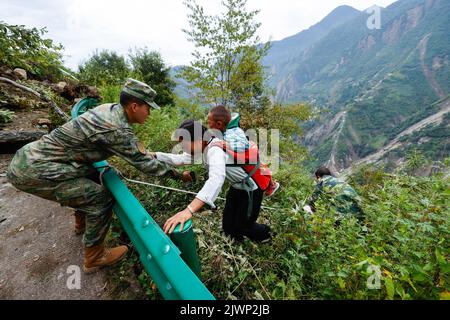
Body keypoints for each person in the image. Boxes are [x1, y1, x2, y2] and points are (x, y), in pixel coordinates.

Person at [7, 78, 183, 273]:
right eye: (147, 108)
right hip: (35, 170)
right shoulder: (118, 129)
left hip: (30, 157)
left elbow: (134, 151)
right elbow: (146, 165)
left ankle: (81, 224)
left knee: (91, 175)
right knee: (100, 199)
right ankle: (94, 257)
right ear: (134, 106)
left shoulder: (110, 109)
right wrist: (177, 175)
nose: (149, 113)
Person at [157, 120, 272, 243]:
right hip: (237, 186)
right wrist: (155, 155)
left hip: (251, 190)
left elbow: (216, 179)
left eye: (184, 144)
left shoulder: (215, 151)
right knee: (227, 223)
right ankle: (235, 242)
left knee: (245, 225)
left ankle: (267, 236)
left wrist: (188, 210)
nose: (183, 148)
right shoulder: (204, 147)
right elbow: (181, 159)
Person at [207, 106, 280, 197]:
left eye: (209, 123)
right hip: (247, 172)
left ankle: (272, 185)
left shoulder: (234, 132)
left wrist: (226, 146)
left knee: (259, 169)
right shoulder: (227, 131)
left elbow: (243, 146)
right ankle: (272, 184)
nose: (208, 126)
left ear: (220, 123)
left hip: (253, 184)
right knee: (260, 166)